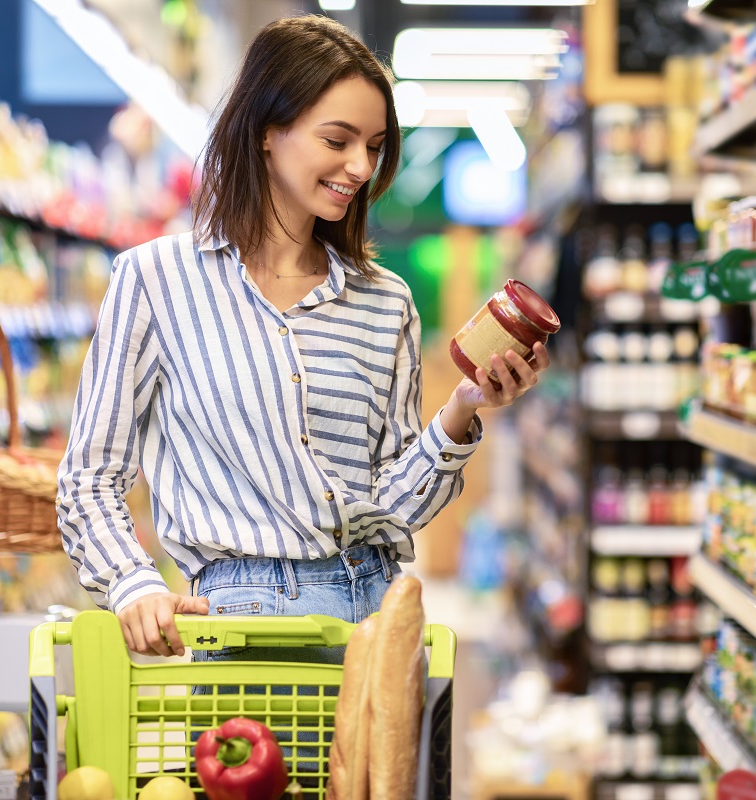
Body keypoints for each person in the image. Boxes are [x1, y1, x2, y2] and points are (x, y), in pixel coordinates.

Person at [56, 14, 550, 661]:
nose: (359, 166)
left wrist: (464, 408)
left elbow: (392, 509)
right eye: (338, 139)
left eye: (373, 146)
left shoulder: (386, 303)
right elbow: (89, 478)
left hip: (377, 622)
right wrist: (131, 584)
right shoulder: (156, 280)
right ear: (268, 131)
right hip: (240, 627)